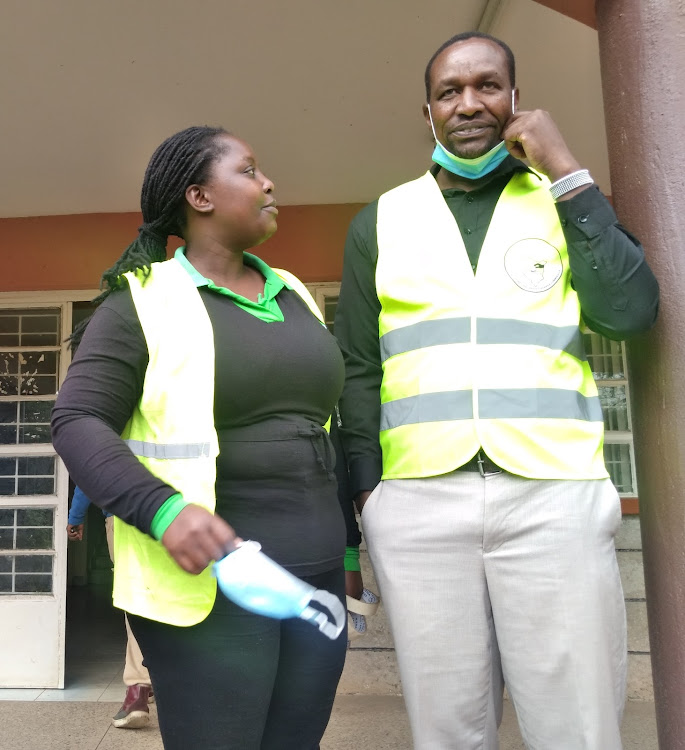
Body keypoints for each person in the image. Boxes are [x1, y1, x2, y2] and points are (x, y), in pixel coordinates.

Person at [334, 31, 659, 750]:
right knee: (447, 731)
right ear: (427, 113)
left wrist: (568, 169)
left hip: (553, 495)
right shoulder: (379, 222)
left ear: (515, 99)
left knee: (577, 726)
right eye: (449, 91)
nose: (468, 103)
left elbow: (629, 312)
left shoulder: (563, 202)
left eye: (486, 85)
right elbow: (357, 368)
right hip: (417, 503)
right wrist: (368, 496)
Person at [52, 125, 349, 750]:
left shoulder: (293, 293)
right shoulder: (140, 301)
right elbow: (76, 420)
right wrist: (162, 510)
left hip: (311, 574)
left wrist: (346, 554)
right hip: (209, 585)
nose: (268, 183)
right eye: (249, 170)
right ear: (200, 197)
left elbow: (322, 433)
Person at [66, 486, 153, 728]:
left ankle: (139, 690)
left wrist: (75, 517)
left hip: (124, 520)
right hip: (181, 517)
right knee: (171, 599)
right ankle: (159, 677)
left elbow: (89, 472)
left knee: (136, 600)